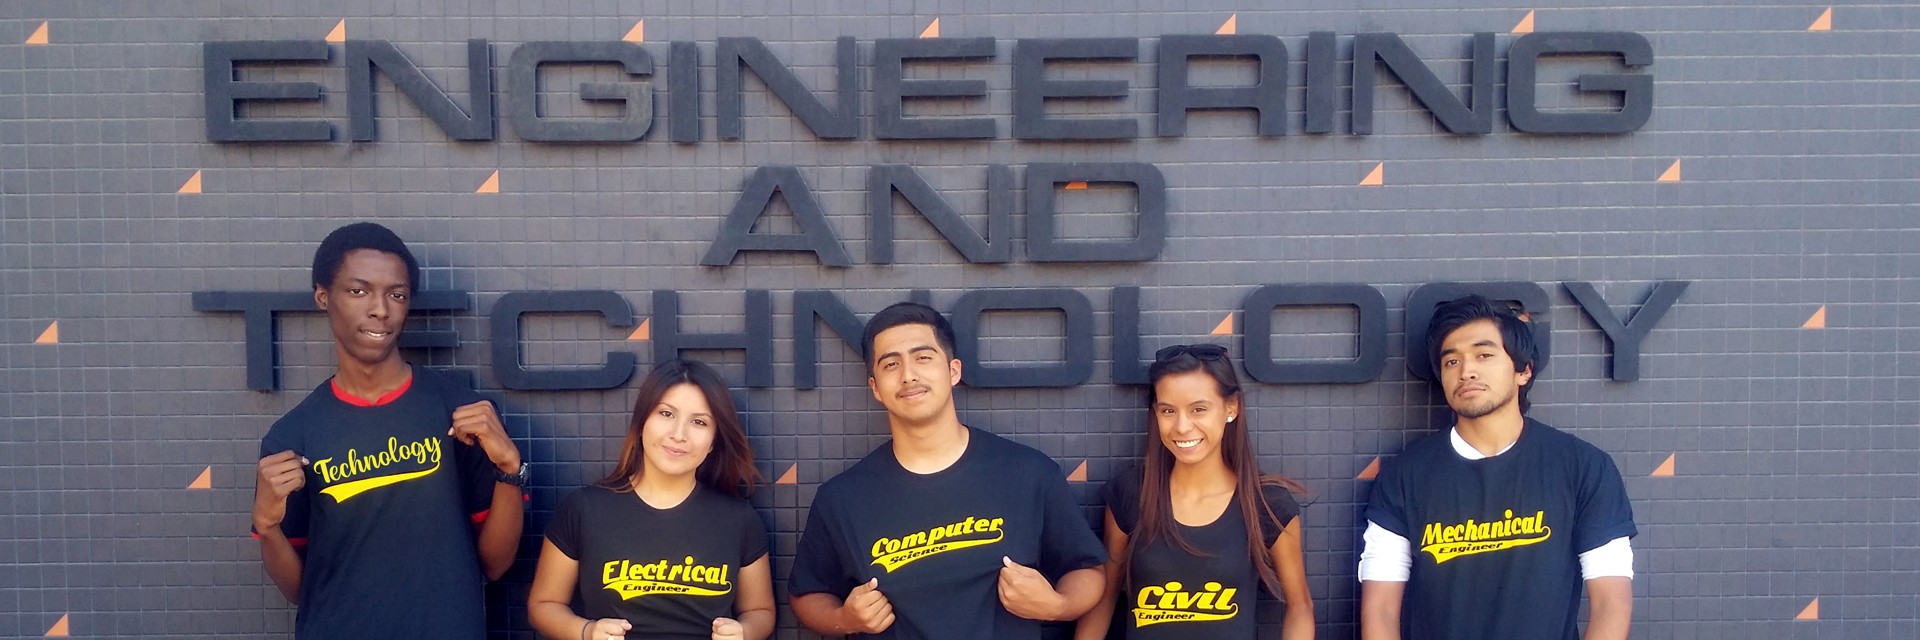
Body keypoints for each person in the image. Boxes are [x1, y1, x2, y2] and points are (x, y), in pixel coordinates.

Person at [250, 222, 526, 639]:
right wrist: (268, 526)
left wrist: (509, 469)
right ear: (323, 296)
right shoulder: (293, 436)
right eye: (358, 291)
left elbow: (496, 564)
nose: (380, 309)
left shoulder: (461, 413)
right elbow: (297, 590)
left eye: (396, 294)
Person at [788, 302, 1109, 639]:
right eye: (891, 364)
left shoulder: (1029, 474)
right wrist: (844, 618)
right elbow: (806, 594)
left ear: (954, 371)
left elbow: (1087, 570)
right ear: (876, 388)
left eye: (923, 358)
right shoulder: (842, 498)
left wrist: (1057, 605)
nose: (908, 375)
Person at [1359, 295, 1637, 640]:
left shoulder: (1583, 467)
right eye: (1451, 361)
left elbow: (1611, 602)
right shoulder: (1404, 475)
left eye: (1484, 355)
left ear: (1524, 370)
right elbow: (1381, 609)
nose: (1466, 371)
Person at [1077, 344, 1313, 640]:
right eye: (1168, 411)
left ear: (1231, 408)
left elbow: (1300, 607)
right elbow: (1103, 600)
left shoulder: (1268, 505)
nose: (1182, 426)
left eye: (1198, 409)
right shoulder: (1131, 494)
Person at [528, 359, 774, 640]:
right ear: (642, 422)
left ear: (713, 441)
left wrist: (744, 632)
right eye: (666, 414)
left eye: (699, 422)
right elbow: (544, 604)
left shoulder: (739, 519)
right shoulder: (584, 509)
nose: (678, 435)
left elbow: (760, 610)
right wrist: (586, 631)